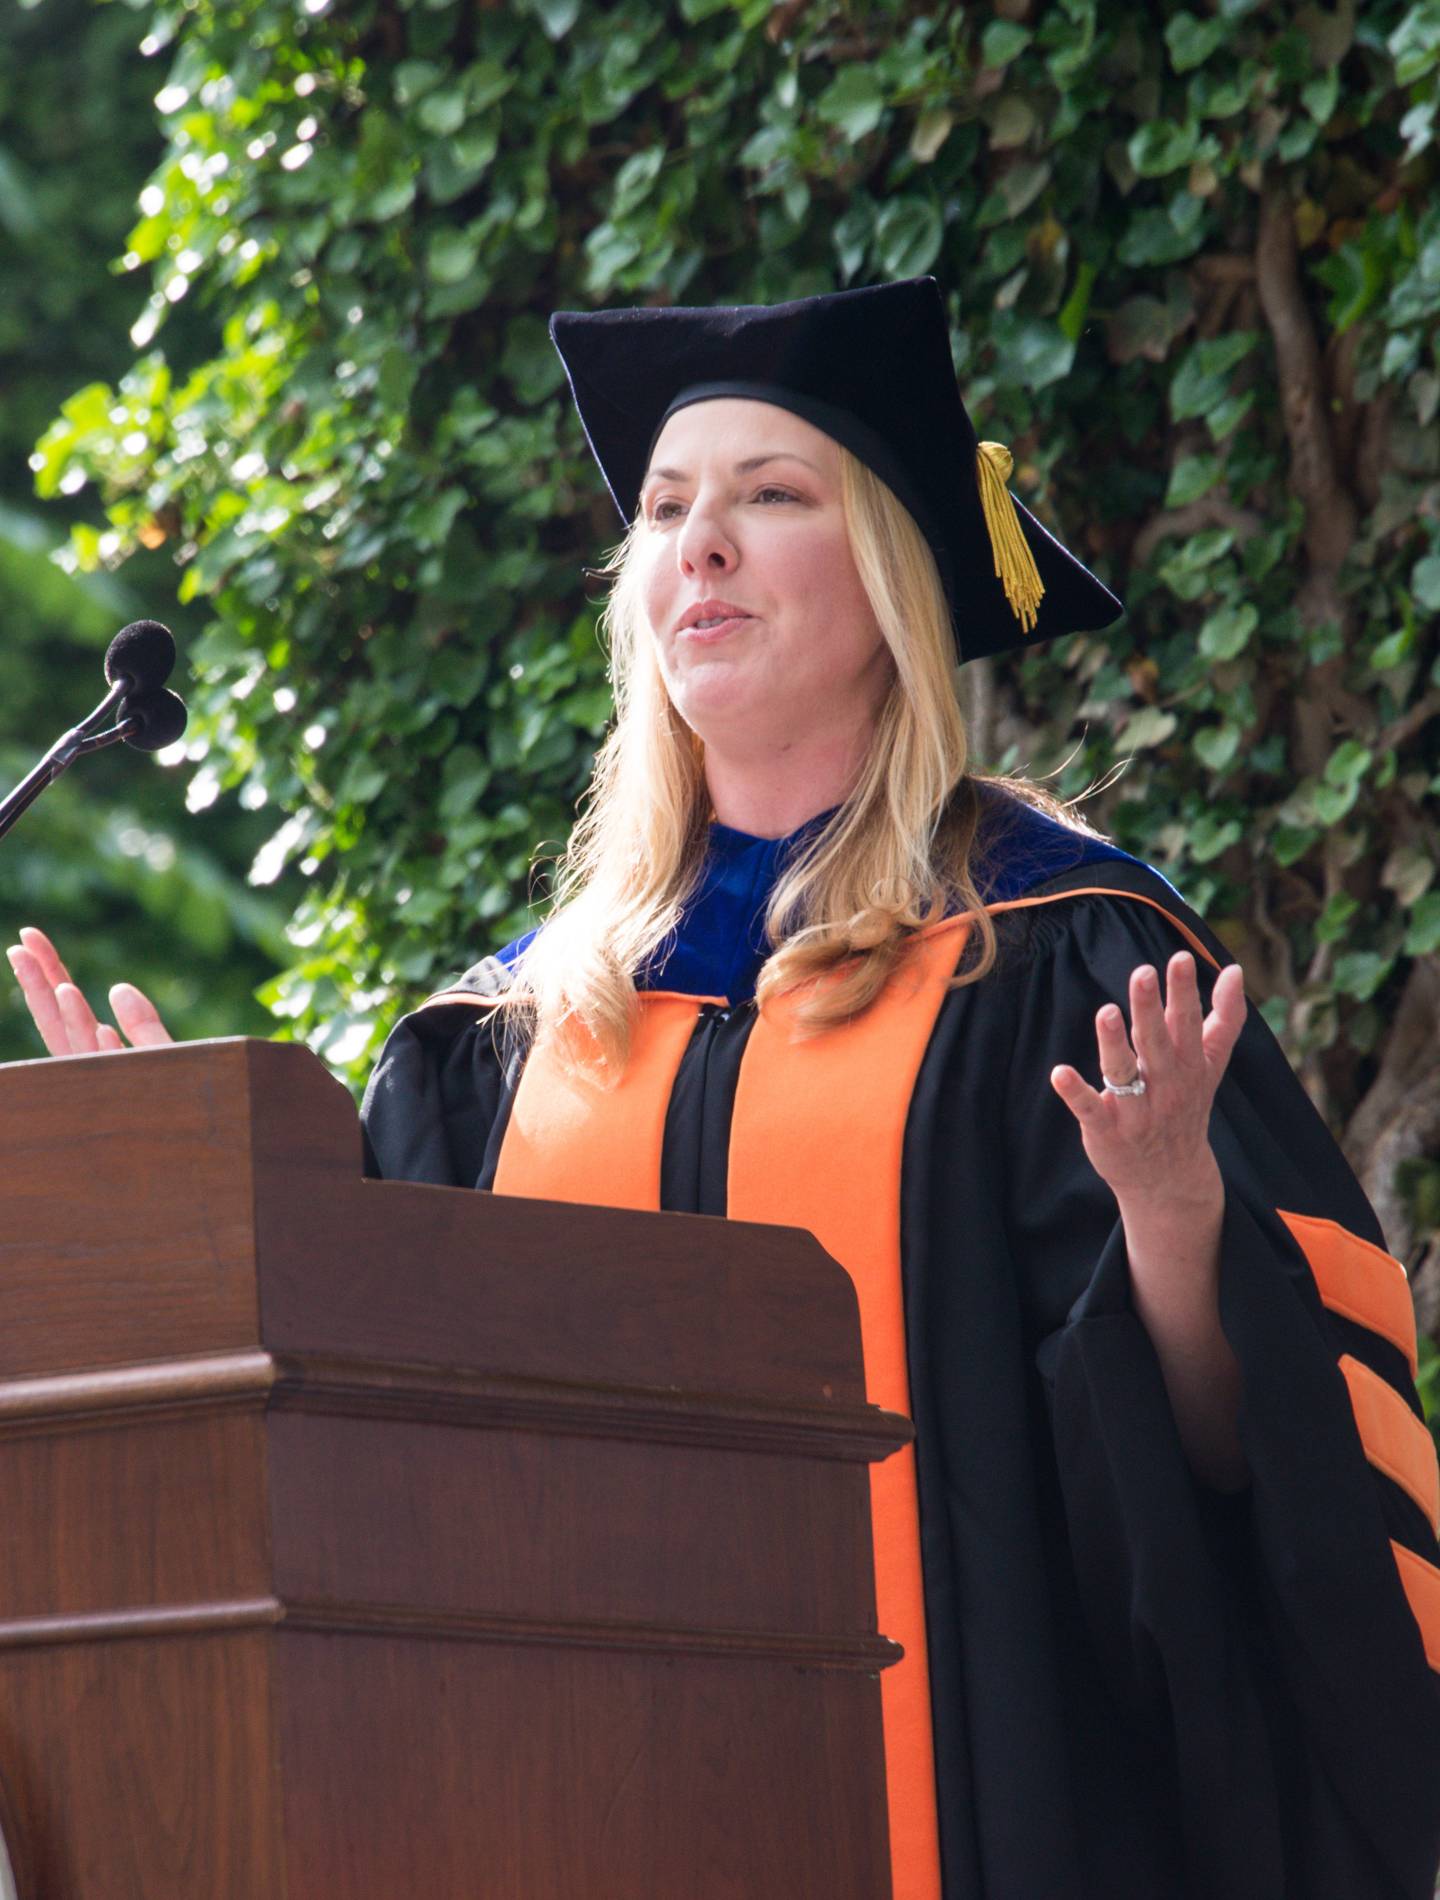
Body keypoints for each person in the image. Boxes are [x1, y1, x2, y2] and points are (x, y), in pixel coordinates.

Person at [10, 277, 1440, 1899]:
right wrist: (191, 1221)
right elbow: (371, 1459)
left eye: (771, 498)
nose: (700, 545)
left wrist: (1175, 1216)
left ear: (897, 578)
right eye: (668, 509)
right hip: (566, 1826)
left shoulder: (1053, 955)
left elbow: (1240, 1487)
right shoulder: (511, 1035)